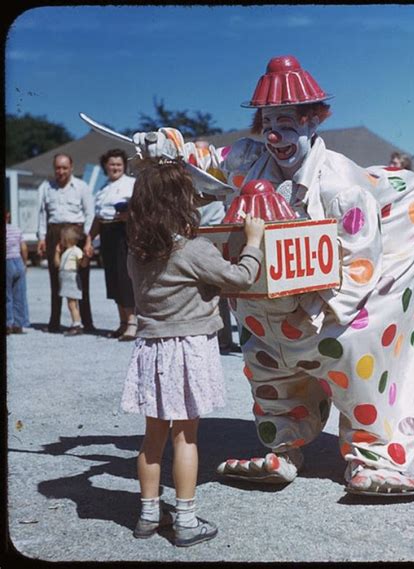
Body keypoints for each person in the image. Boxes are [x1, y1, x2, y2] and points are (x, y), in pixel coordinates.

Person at [131, 54, 414, 496]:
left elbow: (358, 263)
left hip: (327, 302)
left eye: (287, 123)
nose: (275, 135)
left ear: (314, 120)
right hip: (269, 296)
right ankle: (281, 446)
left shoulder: (342, 186)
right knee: (266, 363)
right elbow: (209, 159)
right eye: (268, 122)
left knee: (354, 357)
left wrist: (319, 309)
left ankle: (373, 458)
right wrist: (170, 147)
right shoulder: (249, 157)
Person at [120, 157, 264, 545]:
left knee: (152, 438)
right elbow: (241, 278)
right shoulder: (195, 250)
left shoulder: (137, 254)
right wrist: (253, 242)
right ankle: (185, 520)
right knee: (186, 436)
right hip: (188, 350)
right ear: (180, 203)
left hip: (151, 350)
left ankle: (148, 514)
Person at [37, 153, 95, 333]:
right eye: (57, 168)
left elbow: (90, 213)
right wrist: (41, 238)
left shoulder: (81, 187)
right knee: (56, 277)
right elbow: (42, 214)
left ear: (71, 168)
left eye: (64, 168)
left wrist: (87, 239)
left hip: (75, 233)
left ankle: (86, 323)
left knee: (81, 278)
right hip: (54, 233)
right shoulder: (46, 187)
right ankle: (54, 322)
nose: (60, 171)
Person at [84, 149, 136, 341]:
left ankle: (132, 322)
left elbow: (142, 209)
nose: (115, 167)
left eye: (118, 164)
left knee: (124, 277)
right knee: (112, 278)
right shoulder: (103, 188)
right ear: (105, 166)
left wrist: (128, 214)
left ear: (124, 166)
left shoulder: (131, 184)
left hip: (124, 232)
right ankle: (122, 322)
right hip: (106, 233)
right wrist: (90, 239)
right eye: (111, 164)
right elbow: (98, 218)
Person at [53, 226, 90, 336]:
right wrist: (56, 252)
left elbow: (82, 263)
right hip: (65, 278)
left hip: (71, 277)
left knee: (72, 303)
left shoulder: (76, 251)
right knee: (71, 303)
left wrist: (86, 257)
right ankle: (76, 322)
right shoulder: (66, 252)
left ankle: (77, 324)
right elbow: (57, 264)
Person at [6, 211, 30, 334]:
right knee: (19, 295)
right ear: (8, 216)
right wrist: (24, 263)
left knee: (7, 295)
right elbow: (24, 248)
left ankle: (8, 323)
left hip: (7, 263)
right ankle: (18, 324)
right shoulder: (16, 229)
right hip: (18, 261)